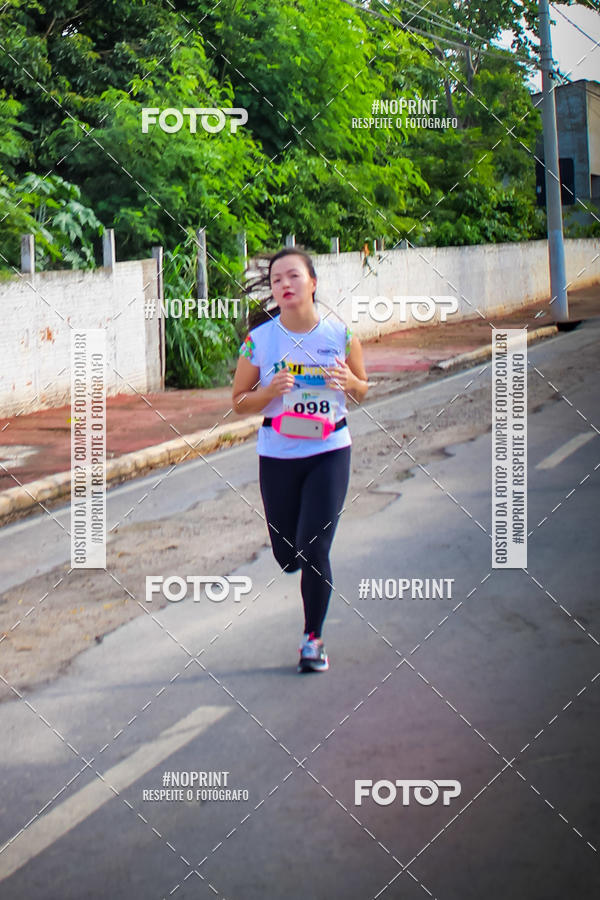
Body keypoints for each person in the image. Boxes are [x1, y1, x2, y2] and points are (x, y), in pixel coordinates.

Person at [232, 247, 369, 672]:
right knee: (288, 555)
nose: (284, 285)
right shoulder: (261, 340)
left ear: (313, 282)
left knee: (315, 547)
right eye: (276, 280)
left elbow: (363, 389)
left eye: (293, 276)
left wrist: (350, 382)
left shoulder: (339, 335)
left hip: (328, 451)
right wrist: (270, 392)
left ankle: (313, 639)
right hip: (277, 455)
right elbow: (238, 402)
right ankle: (293, 562)